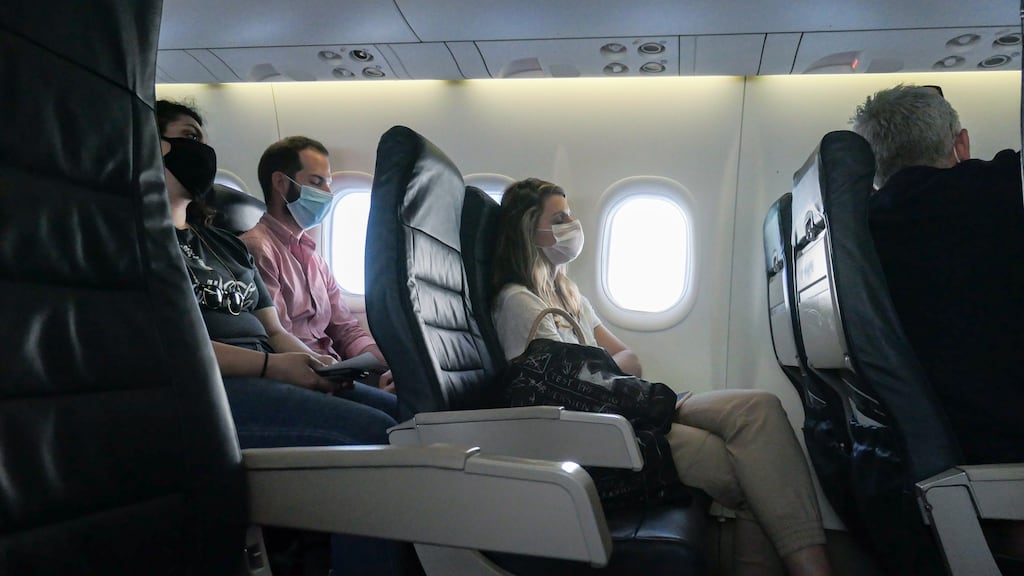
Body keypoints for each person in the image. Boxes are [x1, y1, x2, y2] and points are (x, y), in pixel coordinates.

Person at [491, 178, 832, 576]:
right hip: (603, 430)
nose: (573, 225)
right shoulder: (517, 303)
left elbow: (628, 359)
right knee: (750, 472)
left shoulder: (570, 296)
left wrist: (602, 373)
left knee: (759, 407)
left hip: (629, 402)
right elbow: (553, 397)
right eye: (561, 217)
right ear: (530, 229)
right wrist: (606, 373)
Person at [156, 100, 406, 575]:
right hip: (213, 394)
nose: (202, 150)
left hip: (267, 373)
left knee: (404, 420)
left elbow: (274, 331)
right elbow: (175, 348)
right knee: (376, 442)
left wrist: (316, 367)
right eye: (189, 137)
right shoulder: (140, 241)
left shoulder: (225, 243)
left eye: (205, 140)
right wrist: (274, 367)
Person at [852, 85, 1024, 465]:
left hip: (939, 427)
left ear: (876, 172)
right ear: (961, 144)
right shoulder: (1010, 186)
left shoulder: (863, 226)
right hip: (1009, 425)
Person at [241, 136, 394, 393]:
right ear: (280, 183)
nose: (327, 194)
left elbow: (346, 330)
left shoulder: (316, 259)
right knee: (391, 416)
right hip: (301, 378)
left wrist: (384, 362)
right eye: (316, 182)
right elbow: (277, 335)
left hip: (332, 370)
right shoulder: (258, 249)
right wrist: (334, 373)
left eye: (329, 184)